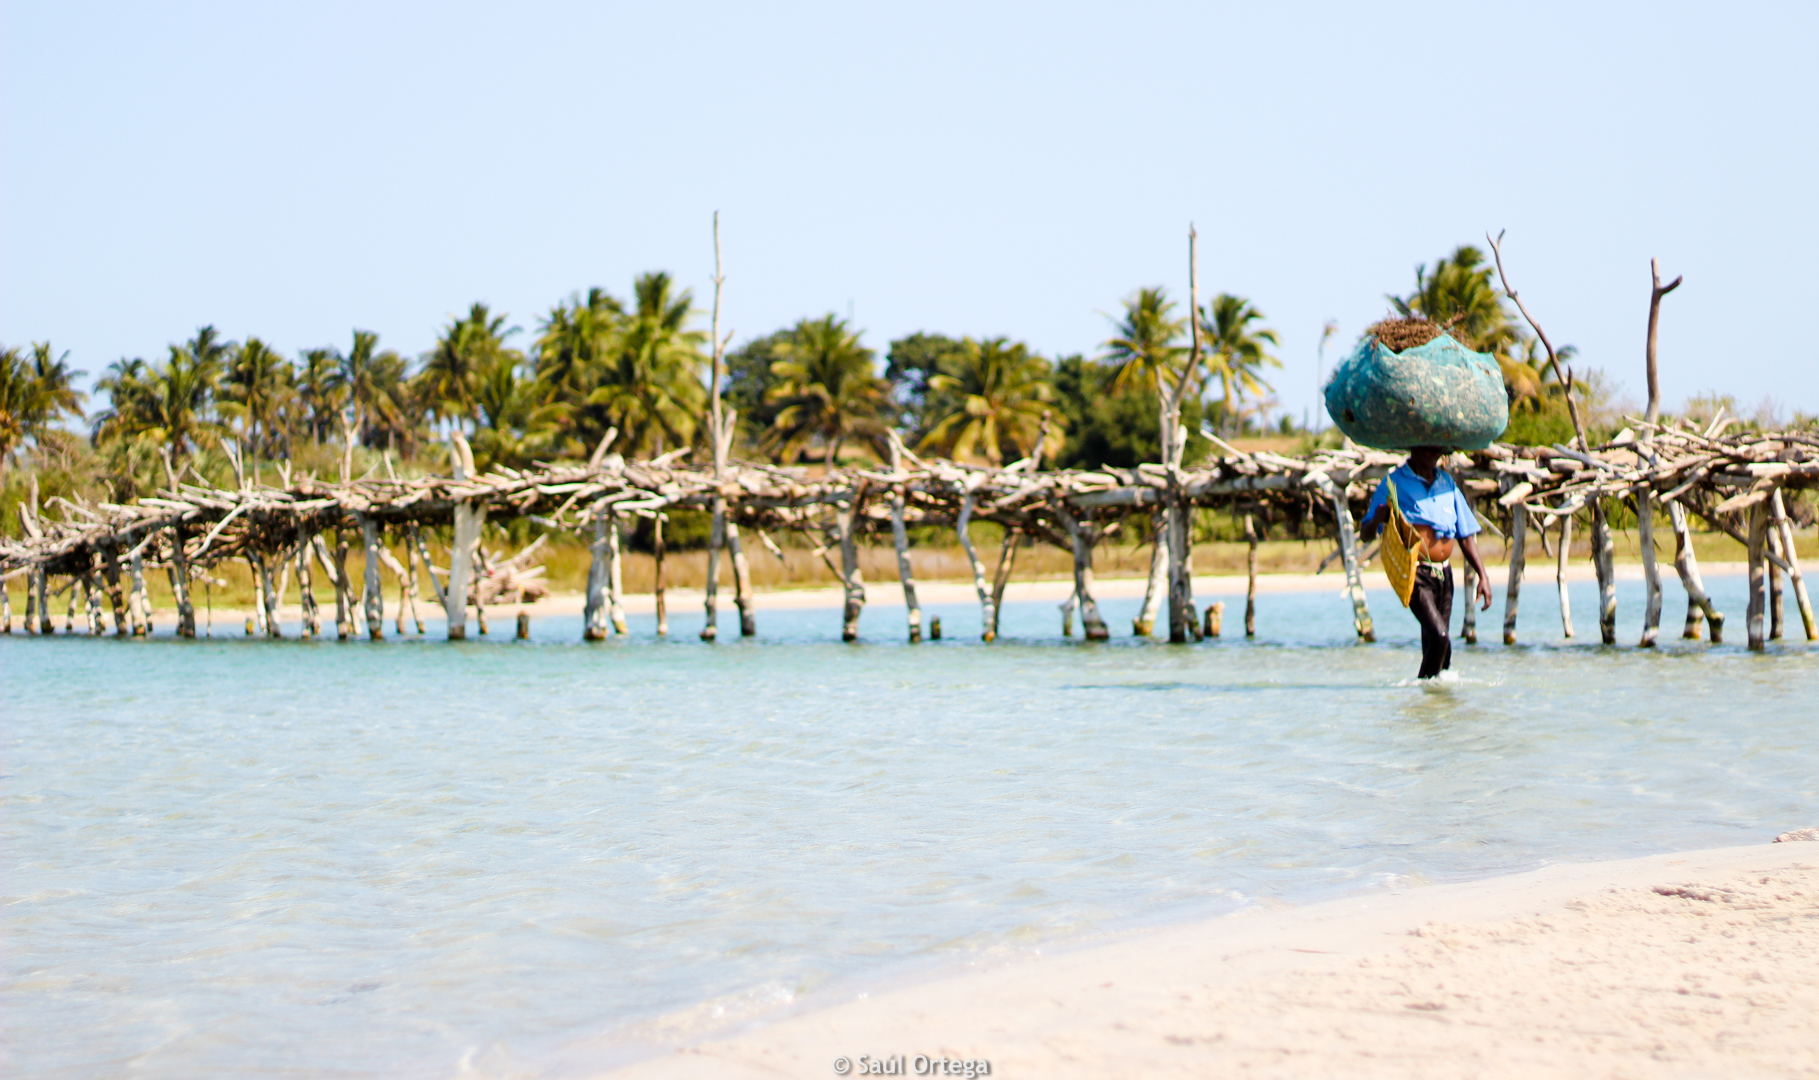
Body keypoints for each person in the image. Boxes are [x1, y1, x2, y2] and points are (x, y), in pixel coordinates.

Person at [1358, 446, 1494, 680]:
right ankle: (1421, 687)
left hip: (1445, 575)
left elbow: (1466, 536)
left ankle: (1432, 707)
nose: (1434, 454)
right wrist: (1378, 518)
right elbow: (1366, 533)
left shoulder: (1447, 483)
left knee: (1443, 649)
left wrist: (1483, 576)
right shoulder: (1394, 482)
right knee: (1440, 637)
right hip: (1416, 574)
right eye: (1428, 449)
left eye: (1438, 450)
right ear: (1413, 448)